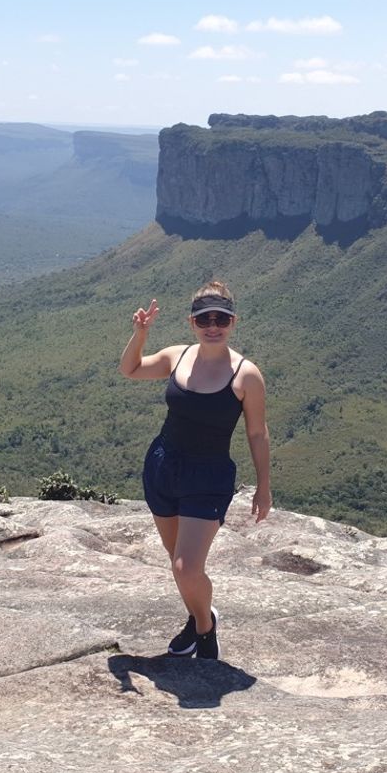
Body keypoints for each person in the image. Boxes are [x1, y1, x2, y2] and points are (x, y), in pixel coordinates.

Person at [119, 280, 271, 661]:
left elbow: (257, 431)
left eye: (222, 318)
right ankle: (198, 616)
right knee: (178, 566)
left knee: (187, 569)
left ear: (234, 322)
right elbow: (131, 369)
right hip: (163, 466)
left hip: (209, 476)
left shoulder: (245, 374)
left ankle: (205, 628)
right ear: (192, 323)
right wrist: (140, 334)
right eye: (205, 319)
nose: (213, 326)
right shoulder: (178, 356)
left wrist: (264, 486)